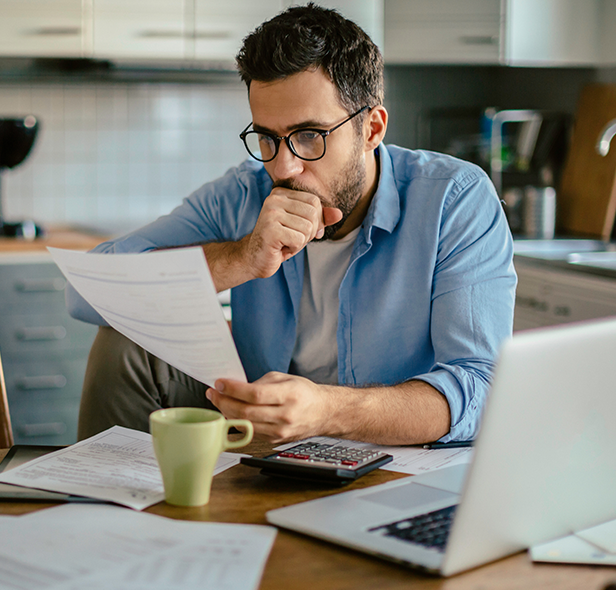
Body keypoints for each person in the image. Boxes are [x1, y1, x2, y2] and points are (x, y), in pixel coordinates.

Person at [67, 3, 516, 446]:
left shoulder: (453, 200)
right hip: (260, 434)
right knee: (123, 342)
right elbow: (86, 293)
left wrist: (326, 411)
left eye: (309, 136)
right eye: (267, 137)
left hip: (392, 450)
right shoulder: (241, 194)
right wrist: (241, 258)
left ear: (372, 129)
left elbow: (483, 389)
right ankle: (112, 511)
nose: (283, 167)